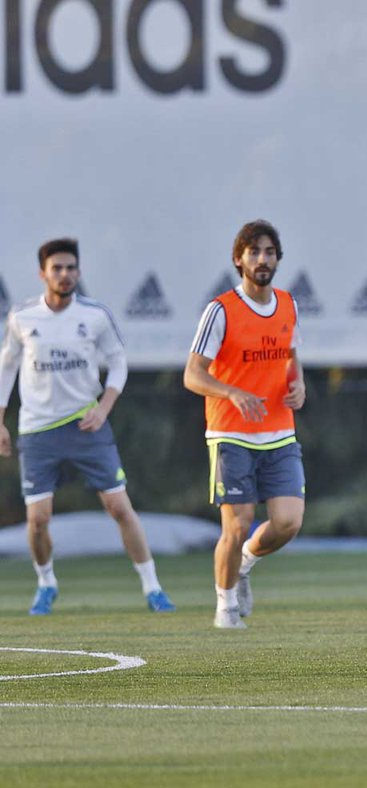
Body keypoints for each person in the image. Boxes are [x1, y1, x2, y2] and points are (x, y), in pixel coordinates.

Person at [0, 238, 175, 615]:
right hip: (37, 430)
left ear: (78, 272)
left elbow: (118, 364)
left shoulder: (95, 315)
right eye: (57, 268)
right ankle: (46, 582)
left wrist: (103, 408)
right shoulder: (22, 317)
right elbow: (7, 367)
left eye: (70, 268)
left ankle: (152, 587)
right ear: (42, 273)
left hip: (86, 426)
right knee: (38, 519)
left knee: (119, 507)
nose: (64, 274)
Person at [183, 220, 306, 629]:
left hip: (280, 433)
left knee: (289, 523)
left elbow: (290, 356)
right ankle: (225, 607)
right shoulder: (221, 310)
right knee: (235, 526)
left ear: (278, 258)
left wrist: (299, 383)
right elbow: (192, 375)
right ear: (239, 260)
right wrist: (231, 391)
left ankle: (246, 566)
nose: (263, 259)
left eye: (269, 252)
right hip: (231, 435)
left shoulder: (288, 304)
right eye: (254, 252)